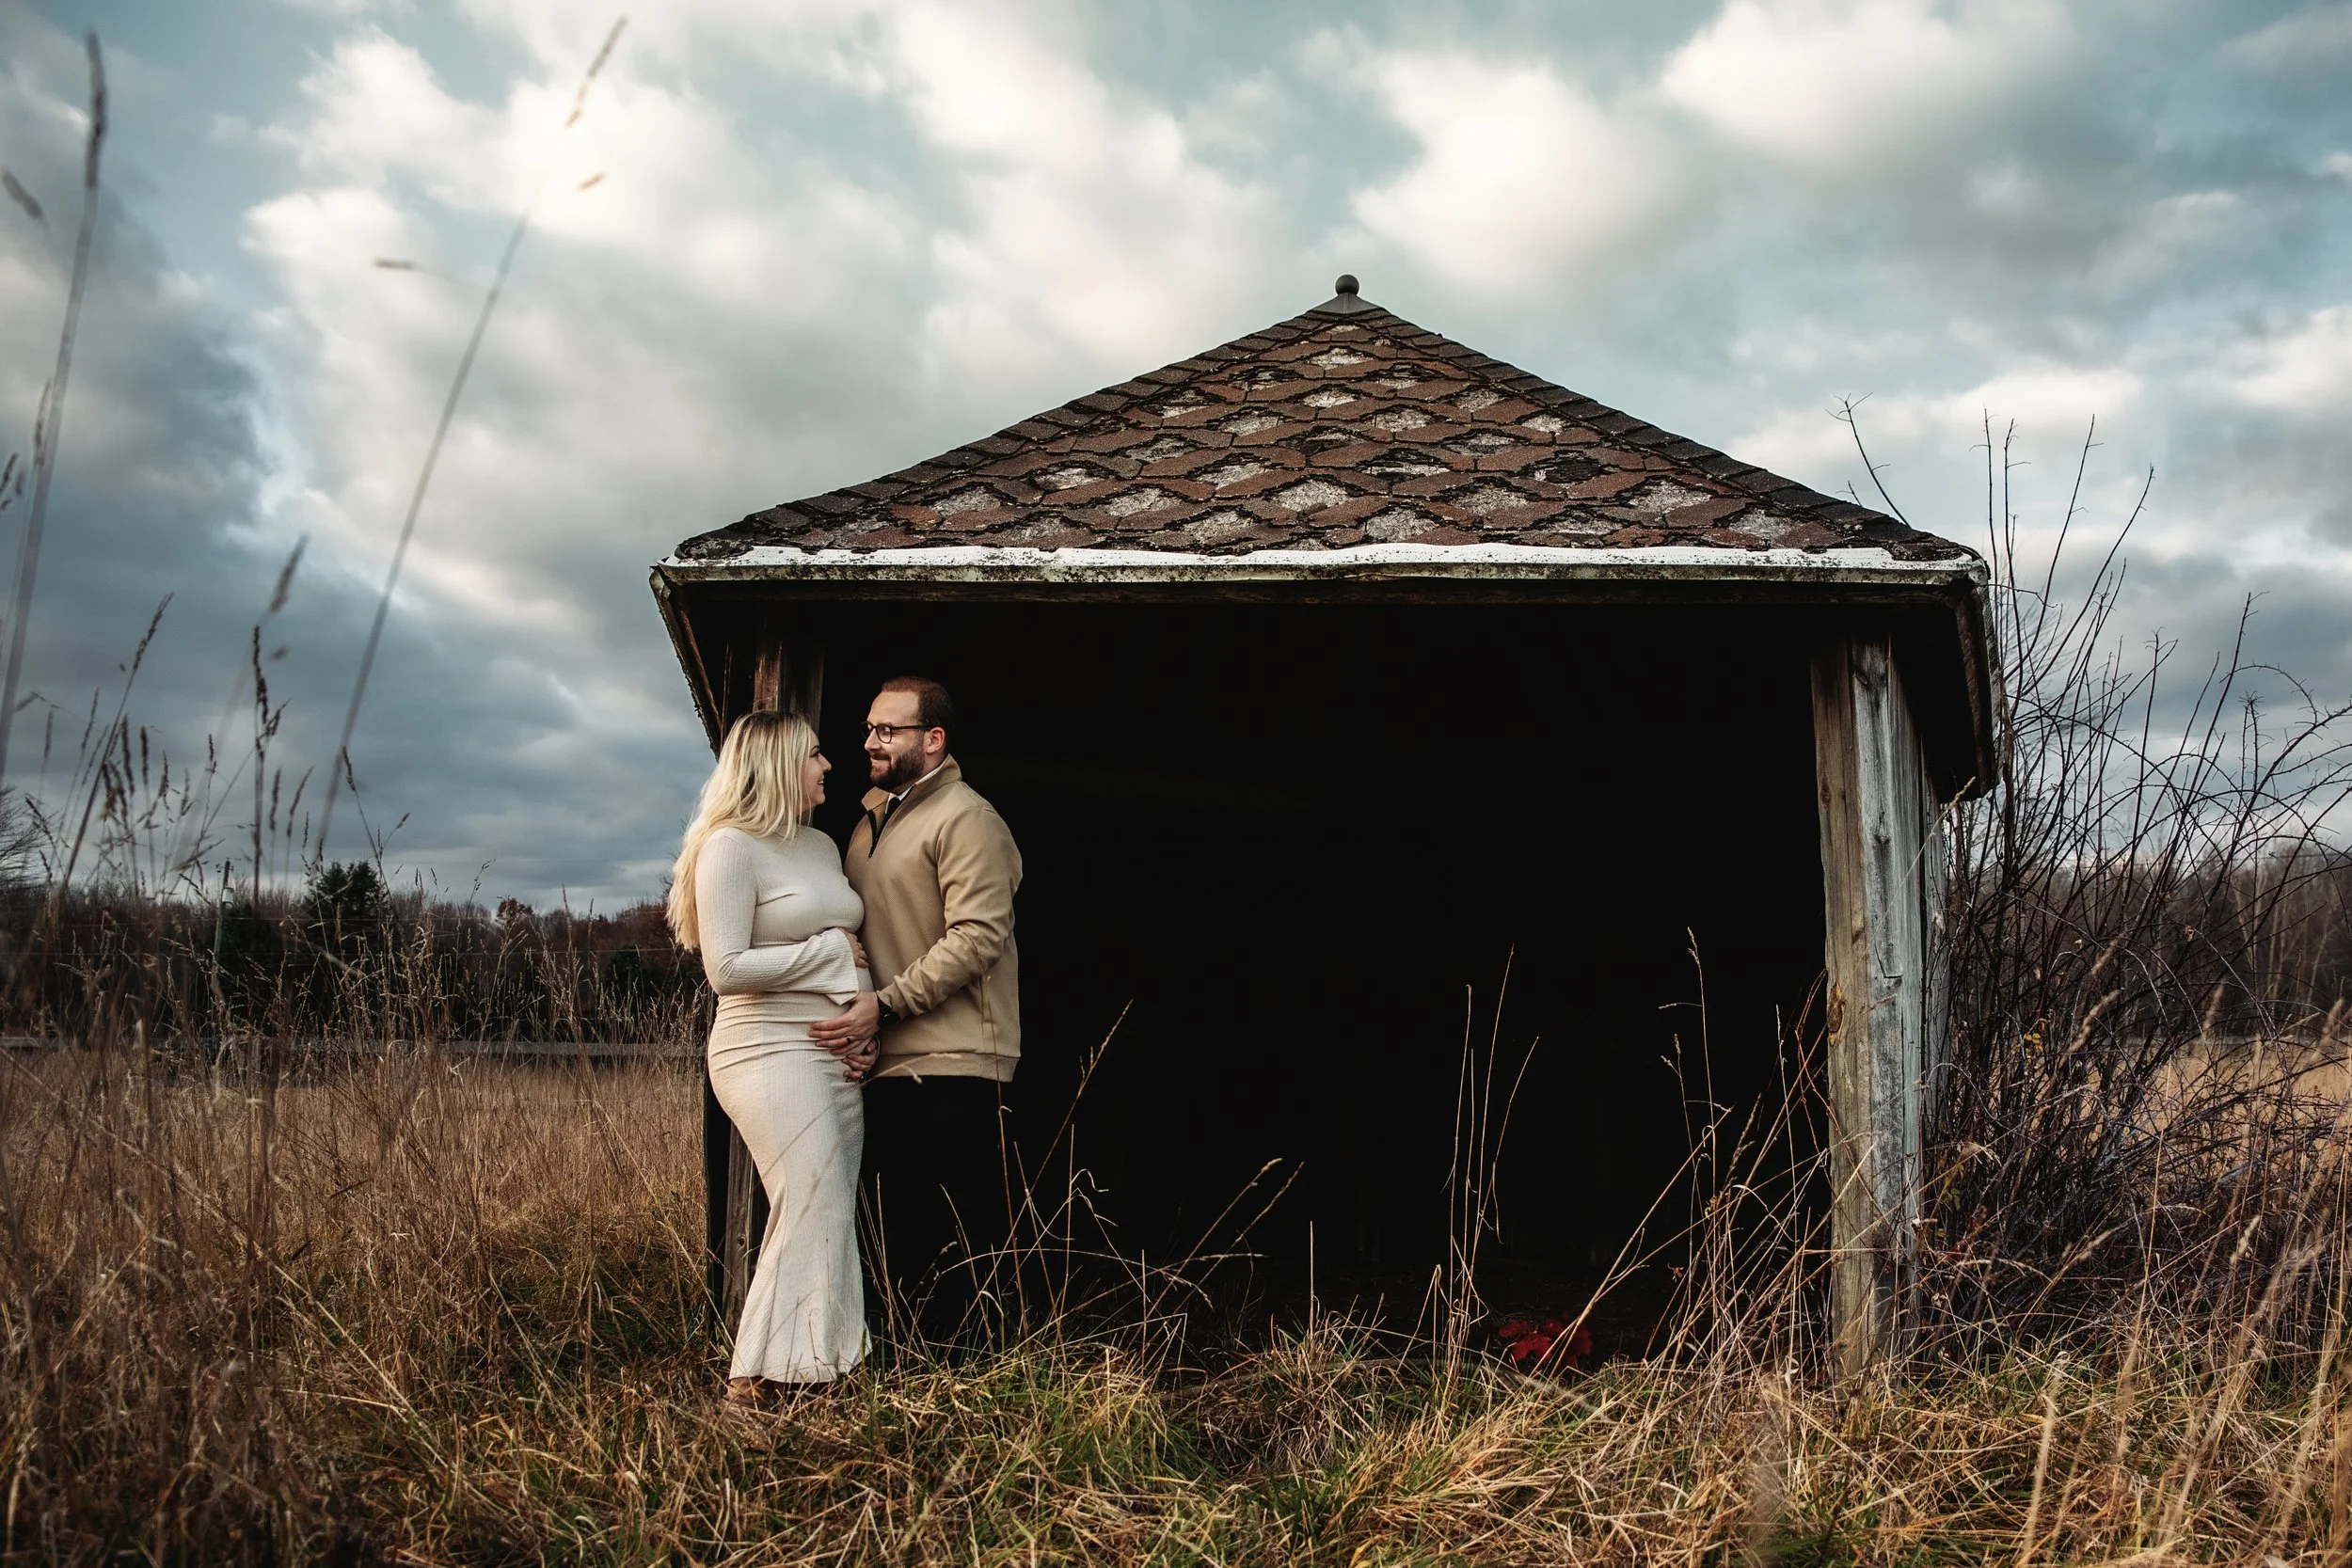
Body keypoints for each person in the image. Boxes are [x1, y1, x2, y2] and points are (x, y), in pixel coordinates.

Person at [667, 710, 880, 1402]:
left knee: (827, 1203)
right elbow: (727, 968)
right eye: (815, 753)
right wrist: (823, 954)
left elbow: (855, 943)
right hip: (763, 1048)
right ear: (778, 763)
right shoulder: (729, 848)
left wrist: (863, 1021)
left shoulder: (820, 847)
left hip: (832, 1052)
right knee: (809, 1194)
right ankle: (750, 1381)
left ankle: (816, 1370)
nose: (827, 765)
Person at [811, 676, 1023, 1338]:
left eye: (888, 730)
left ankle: (969, 1397)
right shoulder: (868, 821)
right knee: (897, 1234)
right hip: (886, 1054)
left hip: (957, 1059)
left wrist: (888, 1005)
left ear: (933, 740)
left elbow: (978, 936)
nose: (871, 741)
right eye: (870, 728)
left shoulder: (968, 817)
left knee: (955, 1244)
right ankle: (909, 1389)